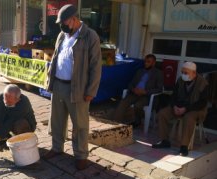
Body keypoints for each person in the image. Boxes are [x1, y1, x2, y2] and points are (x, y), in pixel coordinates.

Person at [44, 4, 102, 170]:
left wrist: (91, 91)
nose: (61, 25)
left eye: (64, 22)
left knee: (80, 125)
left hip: (78, 89)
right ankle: (56, 147)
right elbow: (56, 58)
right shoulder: (62, 35)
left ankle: (81, 155)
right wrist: (50, 81)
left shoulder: (90, 36)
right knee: (56, 120)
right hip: (59, 85)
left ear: (74, 19)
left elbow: (96, 67)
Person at [152, 62, 209, 156]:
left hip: (196, 109)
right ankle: (164, 141)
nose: (183, 75)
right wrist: (174, 106)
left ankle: (184, 147)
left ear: (194, 73)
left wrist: (185, 109)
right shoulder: (180, 80)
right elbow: (174, 96)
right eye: (182, 72)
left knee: (189, 117)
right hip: (179, 106)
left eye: (186, 73)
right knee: (162, 113)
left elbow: (202, 103)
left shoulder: (203, 83)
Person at [113, 54, 163, 127]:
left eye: (148, 62)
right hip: (134, 93)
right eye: (145, 61)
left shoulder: (158, 73)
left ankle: (138, 120)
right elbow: (131, 83)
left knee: (138, 105)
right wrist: (133, 89)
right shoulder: (140, 71)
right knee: (123, 102)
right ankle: (115, 124)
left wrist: (145, 92)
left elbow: (159, 89)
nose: (146, 63)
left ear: (153, 63)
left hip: (146, 96)